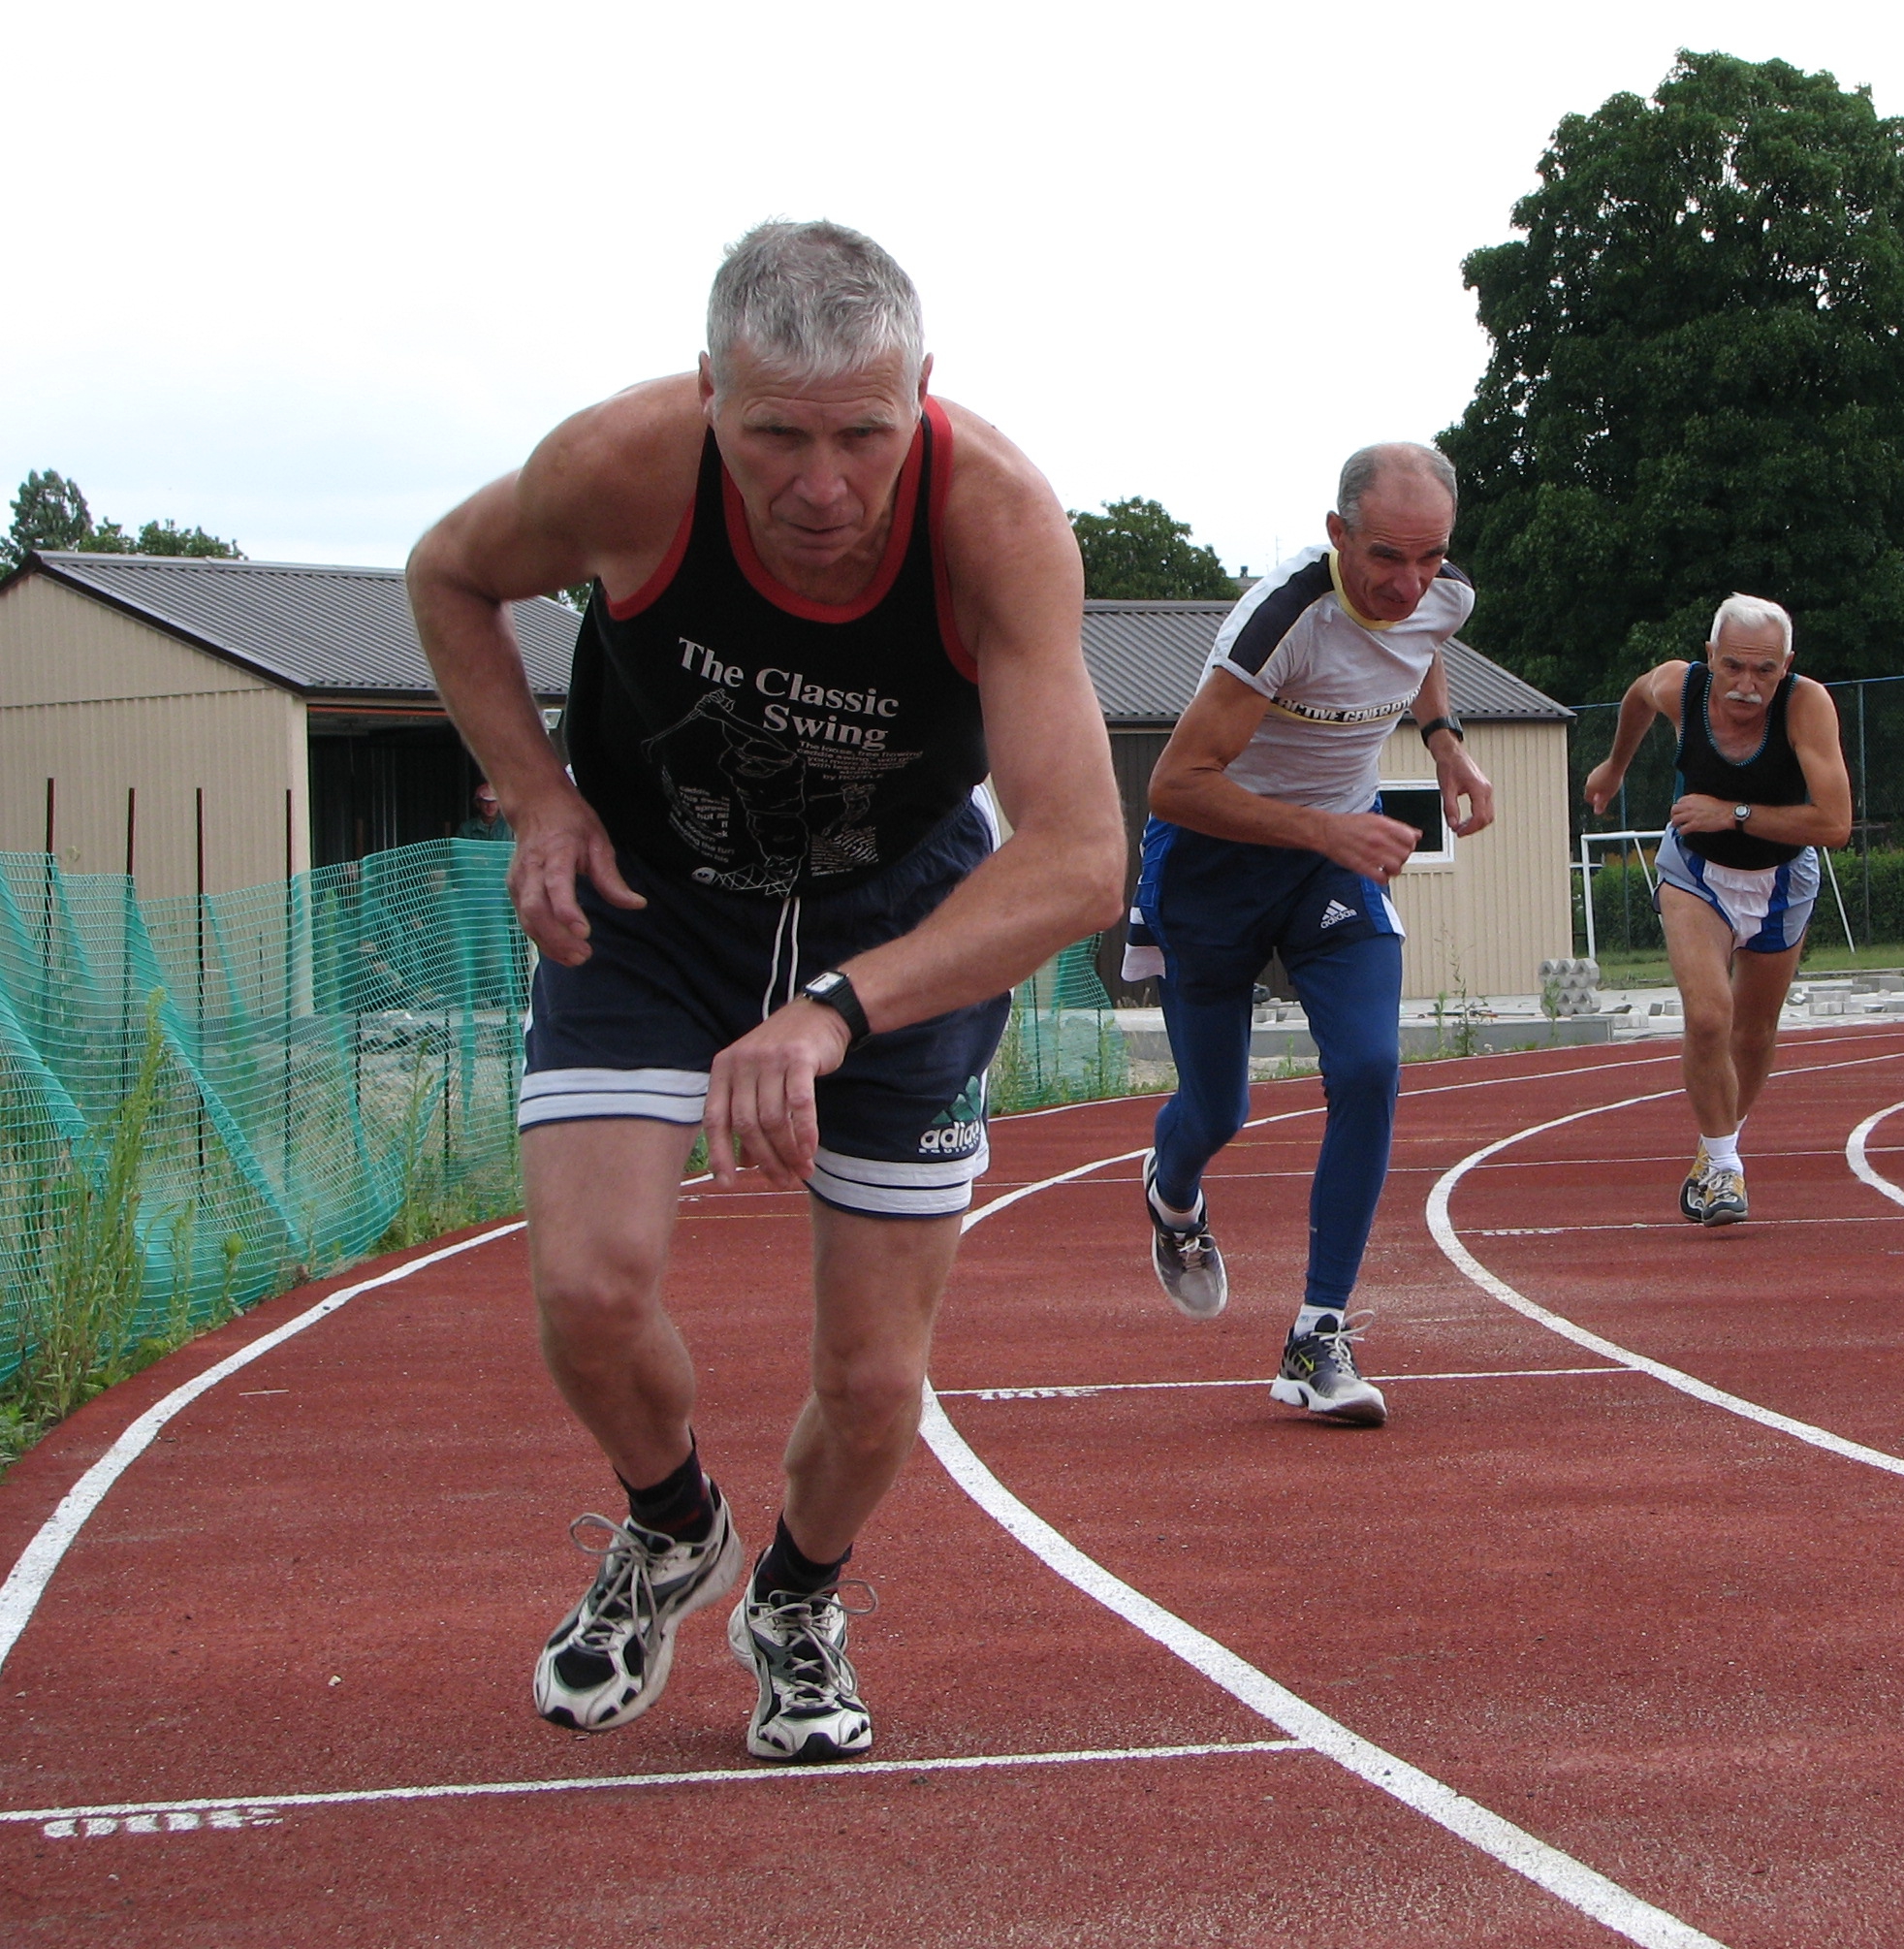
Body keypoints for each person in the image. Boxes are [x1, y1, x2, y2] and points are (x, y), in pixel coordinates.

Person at [407, 222, 1123, 1763]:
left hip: (902, 916)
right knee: (590, 1293)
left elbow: (1078, 861)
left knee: (873, 1382)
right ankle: (673, 1530)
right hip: (656, 905)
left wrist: (837, 1011)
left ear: (921, 395)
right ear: (711, 395)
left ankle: (795, 1599)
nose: (820, 487)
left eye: (864, 436)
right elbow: (450, 575)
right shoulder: (625, 467)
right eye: (775, 436)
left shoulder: (992, 518)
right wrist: (536, 793)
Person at [1124, 443, 1493, 1427]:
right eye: (1384, 558)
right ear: (1335, 536)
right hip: (1212, 862)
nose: (1407, 584)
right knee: (1217, 1112)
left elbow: (1420, 650)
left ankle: (1317, 1335)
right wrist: (1323, 825)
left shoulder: (1438, 594)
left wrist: (1445, 744)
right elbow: (1174, 783)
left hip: (1333, 863)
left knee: (1370, 1067)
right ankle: (1172, 1194)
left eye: (1428, 558)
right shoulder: (1280, 619)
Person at [1581, 597, 1852, 1225]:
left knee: (1752, 1033)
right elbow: (1638, 695)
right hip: (1696, 873)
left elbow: (1835, 824)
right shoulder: (1683, 685)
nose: (1747, 686)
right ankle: (1727, 1170)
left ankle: (1713, 1148)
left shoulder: (1807, 706)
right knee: (1708, 1016)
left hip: (1782, 877)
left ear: (1787, 666)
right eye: (1733, 667)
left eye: (1764, 672)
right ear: (1710, 658)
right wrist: (1614, 766)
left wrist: (1732, 812)